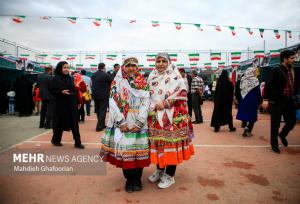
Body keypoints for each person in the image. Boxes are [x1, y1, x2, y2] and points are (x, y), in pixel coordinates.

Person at [100, 57, 150, 193]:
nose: (132, 68)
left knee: (139, 151)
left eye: (134, 65)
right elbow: (113, 102)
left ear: (138, 67)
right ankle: (129, 179)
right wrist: (120, 121)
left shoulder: (143, 82)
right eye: (128, 65)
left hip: (139, 121)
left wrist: (140, 121)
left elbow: (146, 102)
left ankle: (138, 178)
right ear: (123, 67)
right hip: (123, 121)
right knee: (125, 151)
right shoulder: (117, 82)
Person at [147, 53, 194, 189]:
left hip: (172, 119)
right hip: (155, 118)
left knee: (170, 145)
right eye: (158, 61)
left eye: (163, 61)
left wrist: (166, 103)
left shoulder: (176, 76)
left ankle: (170, 175)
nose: (160, 63)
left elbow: (183, 94)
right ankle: (160, 170)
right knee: (158, 144)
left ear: (168, 62)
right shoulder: (152, 76)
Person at [262, 50, 299, 154]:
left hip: (289, 100)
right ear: (285, 59)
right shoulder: (276, 70)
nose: (294, 60)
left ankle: (282, 135)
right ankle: (274, 145)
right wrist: (265, 99)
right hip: (277, 101)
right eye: (292, 58)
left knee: (291, 122)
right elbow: (268, 86)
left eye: (294, 58)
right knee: (275, 124)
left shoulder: (293, 69)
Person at [50, 61, 84, 149]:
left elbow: (74, 90)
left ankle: (77, 142)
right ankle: (55, 140)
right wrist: (61, 92)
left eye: (67, 67)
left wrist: (78, 102)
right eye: (64, 67)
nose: (66, 69)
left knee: (74, 122)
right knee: (59, 123)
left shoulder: (70, 78)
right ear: (60, 68)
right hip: (60, 104)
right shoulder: (55, 79)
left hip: (71, 103)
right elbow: (52, 91)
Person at [236, 67, 262, 137]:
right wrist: (260, 101)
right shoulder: (255, 80)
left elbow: (239, 89)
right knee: (252, 115)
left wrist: (238, 99)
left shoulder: (243, 79)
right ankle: (248, 130)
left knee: (245, 114)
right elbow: (258, 92)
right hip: (252, 100)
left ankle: (245, 127)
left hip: (243, 98)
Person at [91, 63, 113, 132]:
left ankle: (102, 124)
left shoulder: (93, 75)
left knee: (98, 110)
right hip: (104, 95)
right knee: (103, 110)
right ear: (104, 67)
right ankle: (99, 126)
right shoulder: (106, 75)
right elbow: (111, 82)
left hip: (95, 95)